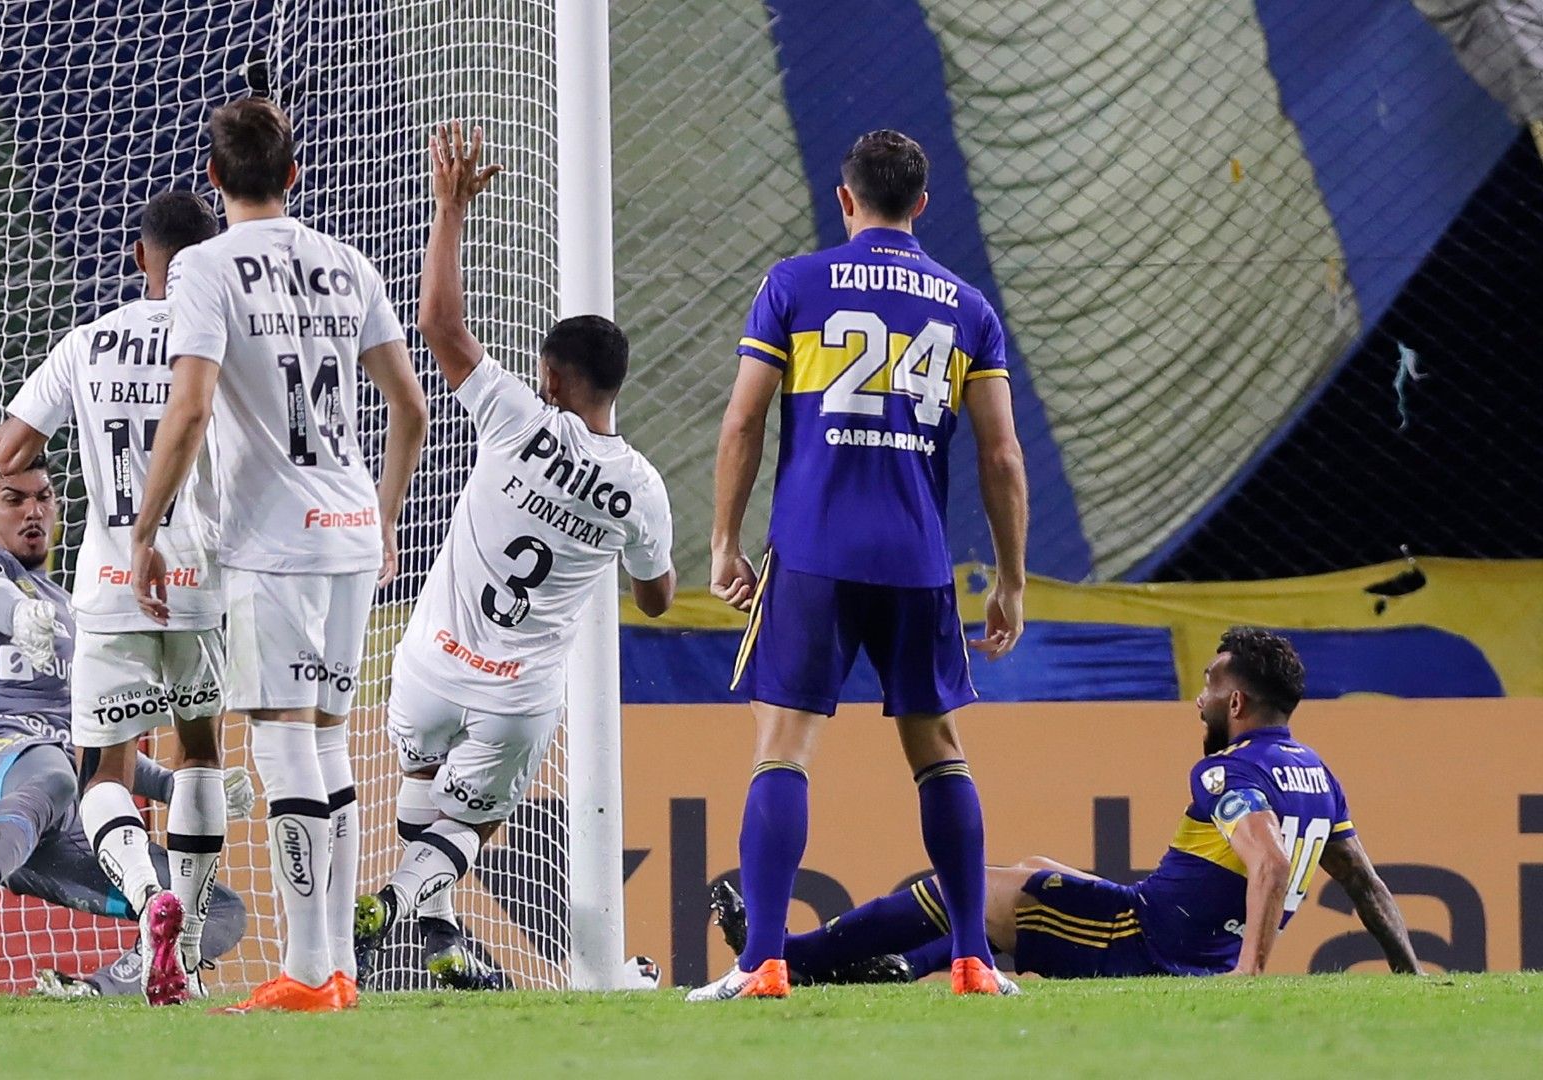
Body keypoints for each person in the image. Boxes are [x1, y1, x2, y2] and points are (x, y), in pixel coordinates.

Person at [696, 129, 1029, 1000]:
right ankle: (971, 961)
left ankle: (763, 960)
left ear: (845, 199)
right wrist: (1011, 579)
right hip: (917, 560)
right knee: (940, 754)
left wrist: (726, 541)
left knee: (782, 752)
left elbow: (743, 423)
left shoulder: (794, 285)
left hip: (812, 553)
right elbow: (1001, 458)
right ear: (922, 204)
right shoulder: (967, 306)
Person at [350, 123, 676, 989]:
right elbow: (656, 597)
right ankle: (403, 900)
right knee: (465, 828)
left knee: (421, 781)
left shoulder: (512, 417)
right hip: (518, 695)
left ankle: (437, 938)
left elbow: (437, 323)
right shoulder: (640, 487)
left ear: (554, 381)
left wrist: (451, 209)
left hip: (430, 660)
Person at [132, 96, 429, 1013]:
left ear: (214, 180)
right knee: (329, 743)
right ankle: (334, 963)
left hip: (271, 543)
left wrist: (145, 530)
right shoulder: (348, 263)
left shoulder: (204, 270)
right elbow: (411, 409)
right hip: (347, 535)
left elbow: (186, 411)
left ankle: (307, 971)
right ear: (293, 174)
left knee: (279, 741)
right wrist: (382, 518)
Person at [708, 628, 1423, 983]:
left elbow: (1265, 863)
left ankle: (790, 958)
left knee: (965, 888)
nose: (1199, 698)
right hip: (1176, 940)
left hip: (1143, 943)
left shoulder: (1227, 772)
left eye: (1208, 686)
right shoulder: (1317, 774)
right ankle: (897, 967)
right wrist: (1410, 973)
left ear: (1235, 702)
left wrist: (1248, 981)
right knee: (1036, 871)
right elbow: (1364, 882)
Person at [0, 190, 229, 1007]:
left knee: (106, 775)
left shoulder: (89, 343)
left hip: (109, 584)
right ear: (213, 259)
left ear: (142, 257)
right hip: (200, 582)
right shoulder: (219, 343)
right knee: (199, 757)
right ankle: (187, 952)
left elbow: (12, 445)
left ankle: (144, 900)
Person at [0, 449, 255, 1000]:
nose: (33, 511)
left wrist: (175, 786)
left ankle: (96, 991)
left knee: (214, 908)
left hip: (55, 810)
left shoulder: (74, 610)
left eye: (43, 498)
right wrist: (16, 614)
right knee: (53, 772)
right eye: (14, 500)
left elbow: (91, 746)